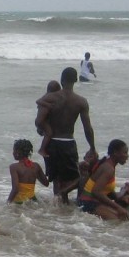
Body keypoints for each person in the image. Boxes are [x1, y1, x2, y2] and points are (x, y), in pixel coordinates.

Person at [35, 67, 97, 203]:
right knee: (73, 176)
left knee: (56, 178)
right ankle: (66, 203)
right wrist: (92, 147)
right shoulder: (81, 101)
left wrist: (42, 130)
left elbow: (39, 120)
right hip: (68, 142)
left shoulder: (50, 97)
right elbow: (87, 128)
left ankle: (59, 206)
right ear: (75, 80)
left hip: (52, 143)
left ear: (61, 80)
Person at [78, 139, 129, 221]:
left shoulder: (109, 164)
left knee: (124, 218)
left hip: (92, 201)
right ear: (115, 153)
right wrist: (118, 207)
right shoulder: (108, 168)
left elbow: (106, 190)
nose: (127, 156)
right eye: (125, 152)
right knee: (119, 222)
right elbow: (96, 192)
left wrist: (125, 193)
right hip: (88, 203)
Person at [7, 139, 49, 204]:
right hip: (33, 201)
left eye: (14, 150)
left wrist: (8, 203)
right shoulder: (36, 166)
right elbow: (46, 183)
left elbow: (15, 189)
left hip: (20, 202)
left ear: (18, 152)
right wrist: (34, 174)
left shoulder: (14, 167)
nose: (13, 152)